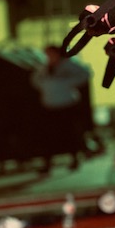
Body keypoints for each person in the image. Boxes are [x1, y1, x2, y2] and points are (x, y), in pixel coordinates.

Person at [31, 44, 90, 173]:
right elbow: (35, 80)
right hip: (50, 106)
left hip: (66, 105)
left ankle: (74, 158)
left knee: (70, 133)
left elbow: (85, 74)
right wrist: (46, 86)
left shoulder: (68, 65)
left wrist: (66, 83)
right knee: (49, 136)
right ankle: (48, 162)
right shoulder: (43, 68)